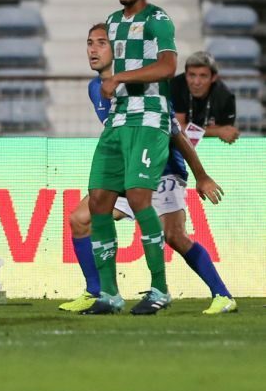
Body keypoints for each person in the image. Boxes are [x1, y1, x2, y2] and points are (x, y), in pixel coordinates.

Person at [60, 25, 234, 315]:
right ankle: (96, 291)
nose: (93, 49)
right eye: (89, 43)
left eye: (101, 43)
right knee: (80, 219)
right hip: (127, 174)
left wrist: (201, 176)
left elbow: (175, 131)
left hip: (162, 170)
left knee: (175, 236)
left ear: (116, 50)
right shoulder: (95, 89)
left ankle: (222, 295)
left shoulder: (142, 87)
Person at [85, 0, 178, 315]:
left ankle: (159, 289)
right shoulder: (111, 22)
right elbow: (112, 62)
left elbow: (169, 66)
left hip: (149, 118)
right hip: (118, 119)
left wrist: (121, 79)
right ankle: (109, 293)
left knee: (139, 198)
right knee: (98, 200)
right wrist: (107, 79)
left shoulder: (157, 20)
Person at [171, 51, 239, 144]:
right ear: (185, 74)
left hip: (211, 146)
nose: (196, 82)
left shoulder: (225, 97)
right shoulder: (177, 85)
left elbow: (227, 133)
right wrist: (215, 132)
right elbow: (176, 128)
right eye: (192, 75)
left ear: (213, 77)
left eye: (203, 76)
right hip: (177, 145)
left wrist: (218, 132)